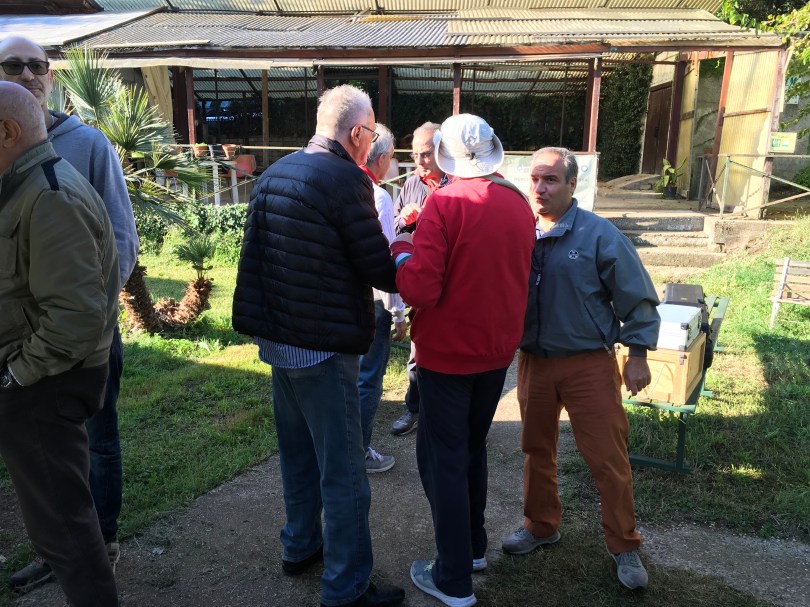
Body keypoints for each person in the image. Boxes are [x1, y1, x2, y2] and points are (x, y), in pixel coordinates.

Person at [232, 85, 405, 607]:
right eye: (371, 133)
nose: (371, 143)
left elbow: (254, 257)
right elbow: (377, 266)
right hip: (324, 348)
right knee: (344, 470)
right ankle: (346, 586)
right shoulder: (347, 179)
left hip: (279, 342)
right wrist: (406, 251)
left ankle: (300, 544)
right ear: (357, 133)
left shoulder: (277, 172)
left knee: (297, 454)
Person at [0, 35, 139, 589]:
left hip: (76, 343)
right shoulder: (12, 157)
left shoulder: (85, 146)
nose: (28, 74)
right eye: (14, 65)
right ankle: (64, 551)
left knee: (97, 444)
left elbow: (120, 239)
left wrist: (94, 321)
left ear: (51, 77)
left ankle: (98, 544)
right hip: (36, 346)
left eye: (38, 65)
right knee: (53, 472)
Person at [389, 114, 536, 607]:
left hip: (447, 354)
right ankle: (472, 547)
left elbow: (421, 289)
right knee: (471, 448)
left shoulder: (445, 202)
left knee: (442, 460)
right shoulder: (517, 201)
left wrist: (401, 250)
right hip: (496, 351)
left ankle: (452, 578)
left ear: (445, 156)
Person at [501, 147, 660, 591]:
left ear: (573, 185)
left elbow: (635, 295)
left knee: (607, 457)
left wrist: (638, 354)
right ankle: (540, 525)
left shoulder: (599, 235)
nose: (540, 188)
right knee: (536, 448)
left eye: (551, 180)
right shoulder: (519, 231)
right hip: (534, 362)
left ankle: (624, 543)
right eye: (535, 179)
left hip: (588, 363)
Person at [389, 121, 449, 437]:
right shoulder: (412, 182)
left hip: (452, 281)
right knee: (418, 352)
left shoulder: (457, 182)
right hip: (421, 279)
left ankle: (449, 417)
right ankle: (413, 410)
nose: (419, 161)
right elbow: (396, 225)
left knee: (451, 357)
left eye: (425, 154)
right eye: (414, 154)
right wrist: (404, 219)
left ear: (441, 150)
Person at [358, 123, 407, 474]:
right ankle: (359, 451)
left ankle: (342, 448)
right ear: (385, 158)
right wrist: (398, 312)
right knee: (368, 378)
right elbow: (387, 259)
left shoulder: (339, 185)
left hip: (336, 302)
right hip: (371, 302)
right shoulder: (378, 196)